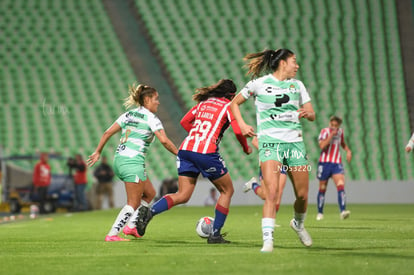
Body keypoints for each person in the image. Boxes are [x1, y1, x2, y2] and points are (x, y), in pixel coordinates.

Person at [135, 79, 252, 244]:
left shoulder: (204, 103)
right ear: (231, 95)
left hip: (185, 150)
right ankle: (215, 235)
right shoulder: (228, 105)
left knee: (182, 195)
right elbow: (238, 131)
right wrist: (245, 147)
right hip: (205, 152)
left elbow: (184, 122)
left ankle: (150, 212)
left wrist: (198, 136)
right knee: (227, 191)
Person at [230, 48, 315, 252]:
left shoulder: (298, 85)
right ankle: (268, 240)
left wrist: (307, 113)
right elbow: (234, 104)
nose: (297, 65)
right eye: (294, 61)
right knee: (272, 193)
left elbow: (312, 114)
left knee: (302, 196)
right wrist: (241, 124)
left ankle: (298, 224)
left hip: (294, 143)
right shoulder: (258, 84)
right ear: (283, 63)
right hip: (270, 143)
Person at [87, 83, 178, 242]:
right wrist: (180, 154)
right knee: (133, 203)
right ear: (147, 99)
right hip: (132, 162)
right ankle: (113, 234)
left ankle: (131, 226)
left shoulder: (128, 115)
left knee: (150, 193)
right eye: (156, 99)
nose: (158, 102)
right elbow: (164, 141)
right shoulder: (151, 118)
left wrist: (98, 152)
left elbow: (107, 132)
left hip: (120, 160)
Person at [316, 116, 352, 220]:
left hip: (336, 163)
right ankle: (320, 212)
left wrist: (348, 150)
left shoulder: (340, 132)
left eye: (336, 126)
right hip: (324, 163)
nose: (334, 127)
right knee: (322, 188)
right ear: (329, 124)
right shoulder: (324, 131)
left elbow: (342, 143)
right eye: (332, 125)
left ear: (339, 126)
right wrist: (331, 135)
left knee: (341, 185)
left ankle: (343, 211)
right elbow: (322, 146)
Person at [244, 137, 288, 221]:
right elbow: (254, 141)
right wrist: (268, 152)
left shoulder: (283, 128)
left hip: (281, 160)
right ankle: (253, 185)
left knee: (279, 192)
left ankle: (272, 220)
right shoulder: (265, 127)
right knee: (265, 195)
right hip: (266, 161)